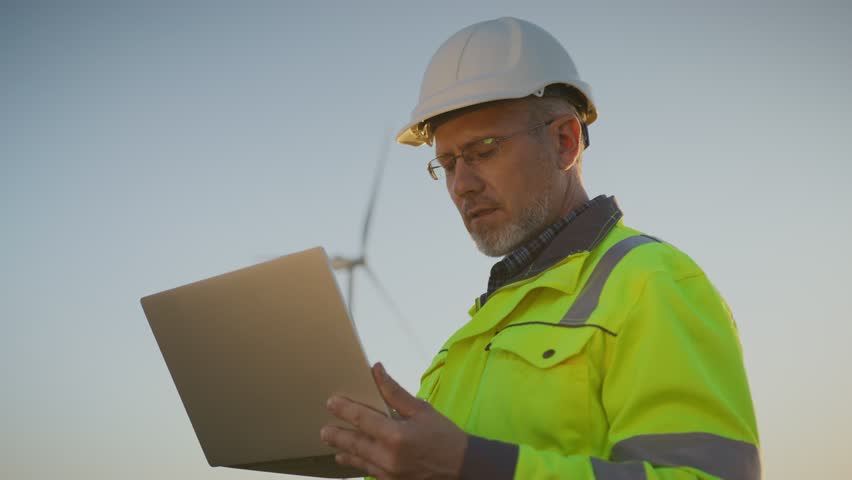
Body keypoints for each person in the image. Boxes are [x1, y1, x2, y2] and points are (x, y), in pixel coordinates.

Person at [320, 17, 760, 480]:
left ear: (564, 141)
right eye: (446, 164)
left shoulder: (653, 282)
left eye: (483, 150)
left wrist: (472, 467)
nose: (461, 186)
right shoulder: (472, 337)